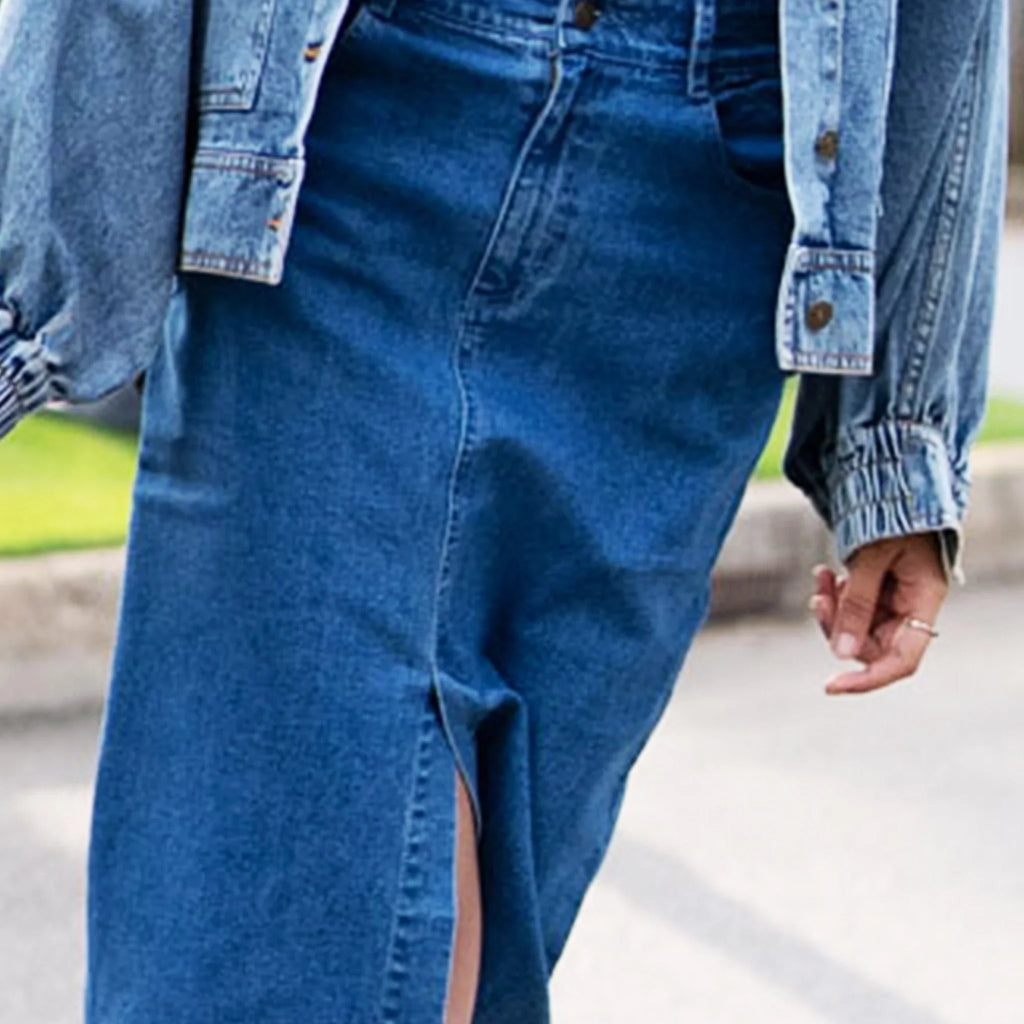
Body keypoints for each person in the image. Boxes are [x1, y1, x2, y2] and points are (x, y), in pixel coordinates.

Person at [0, 0, 1008, 1021]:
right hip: (363, 138)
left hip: (703, 215)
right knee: (279, 936)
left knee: (468, 962)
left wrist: (902, 434)